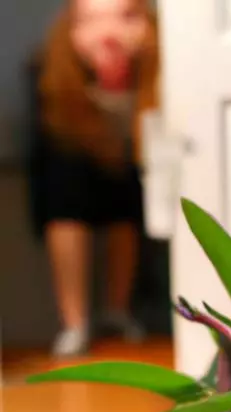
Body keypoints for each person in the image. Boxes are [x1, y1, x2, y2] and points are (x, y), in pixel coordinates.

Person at [31, 0, 159, 356]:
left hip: (131, 170)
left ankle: (117, 311)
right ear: (68, 31)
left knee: (130, 207)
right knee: (65, 199)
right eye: (90, 20)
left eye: (127, 18)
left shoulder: (164, 76)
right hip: (78, 172)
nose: (109, 33)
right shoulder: (55, 81)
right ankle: (75, 324)